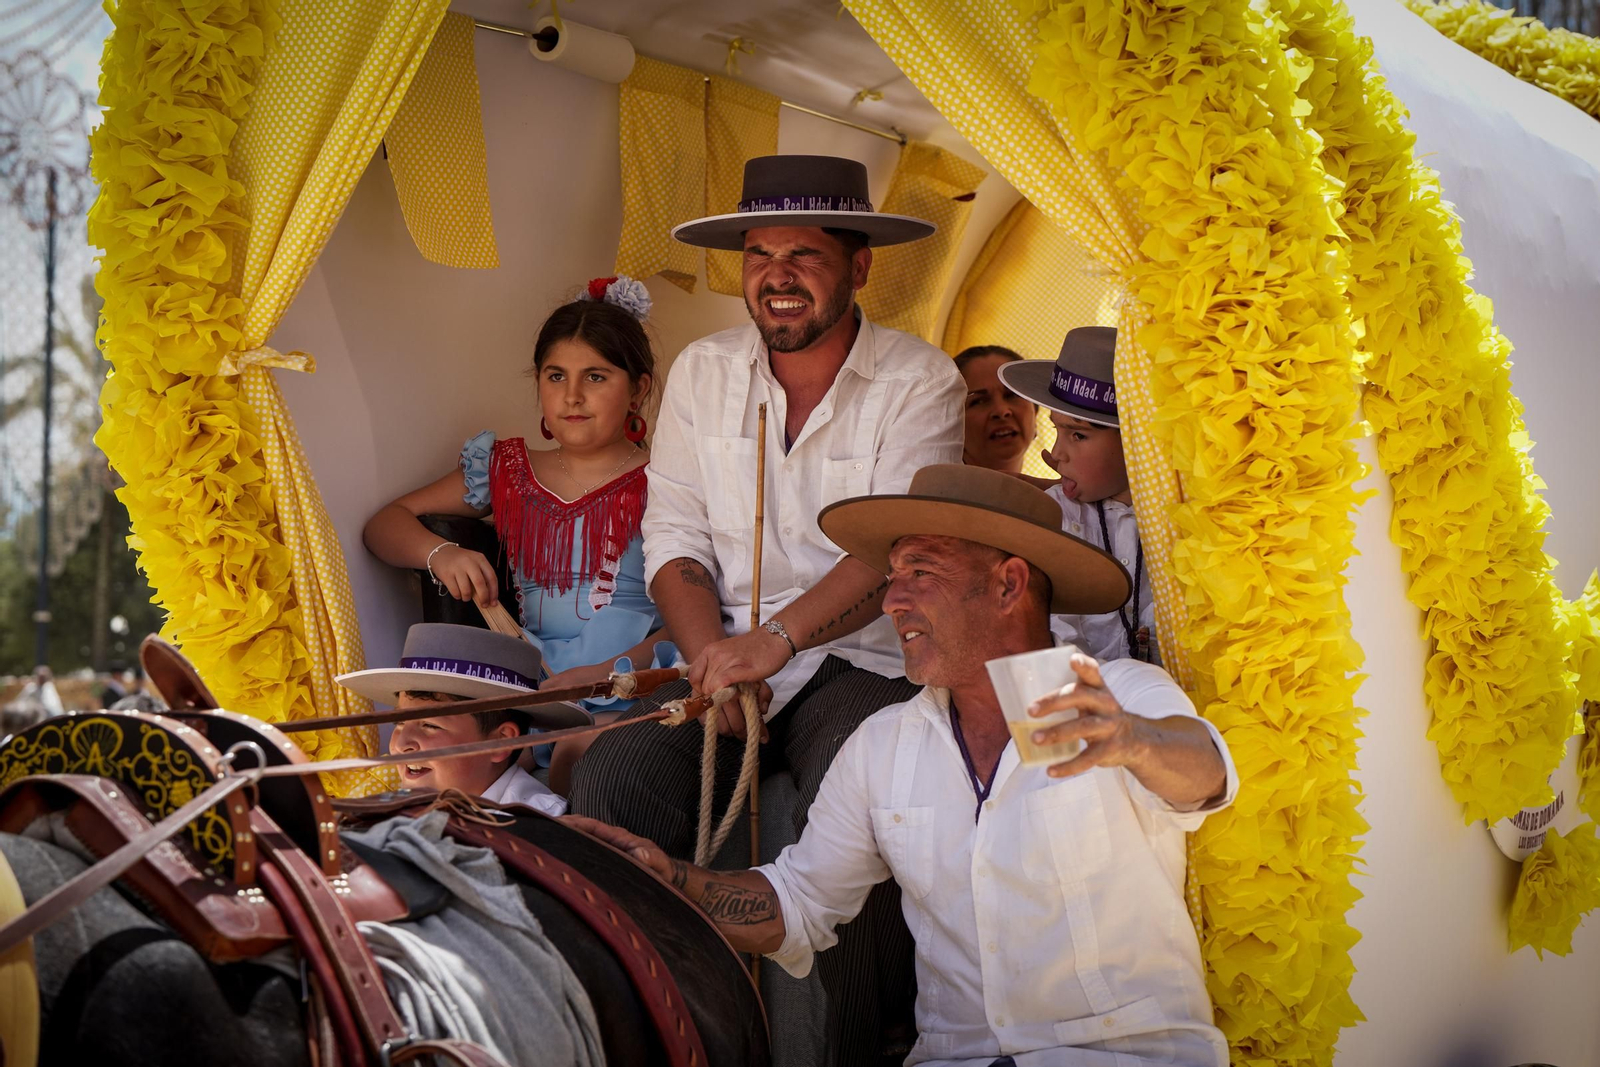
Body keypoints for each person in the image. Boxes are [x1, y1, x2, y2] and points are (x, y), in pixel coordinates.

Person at [569, 464, 1236, 1066]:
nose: (891, 600)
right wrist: (672, 882)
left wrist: (1132, 740)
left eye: (920, 570)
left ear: (1009, 583)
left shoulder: (1121, 690)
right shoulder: (883, 743)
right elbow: (797, 903)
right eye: (892, 576)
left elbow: (1205, 774)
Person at [569, 154, 965, 1063]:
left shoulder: (921, 380)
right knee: (613, 781)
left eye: (804, 254)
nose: (776, 276)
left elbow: (891, 549)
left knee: (863, 792)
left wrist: (774, 642)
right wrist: (713, 658)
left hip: (858, 662)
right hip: (728, 663)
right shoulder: (704, 372)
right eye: (758, 254)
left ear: (859, 264)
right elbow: (671, 538)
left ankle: (855, 1046)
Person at [362, 276, 669, 792]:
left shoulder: (667, 481)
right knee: (484, 764)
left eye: (595, 376)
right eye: (555, 376)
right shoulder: (505, 471)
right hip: (527, 676)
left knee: (581, 752)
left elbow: (694, 614)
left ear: (638, 388)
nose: (571, 396)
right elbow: (383, 525)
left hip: (631, 678)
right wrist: (440, 553)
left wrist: (603, 672)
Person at [998, 326, 1158, 664]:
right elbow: (1051, 633)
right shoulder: (1053, 518)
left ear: (1136, 438)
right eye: (1058, 430)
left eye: (1079, 436)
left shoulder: (1185, 525)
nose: (1057, 453)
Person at [337, 623, 588, 815]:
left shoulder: (540, 825)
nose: (401, 745)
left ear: (500, 742)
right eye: (399, 723)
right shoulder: (391, 808)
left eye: (429, 725)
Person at [955, 345, 1036, 475]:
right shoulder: (929, 492)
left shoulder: (1055, 494)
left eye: (1012, 395)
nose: (1001, 411)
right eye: (979, 401)